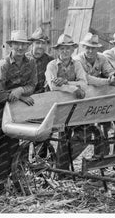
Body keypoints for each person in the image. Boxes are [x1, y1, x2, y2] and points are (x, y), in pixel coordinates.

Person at [0, 30, 37, 192]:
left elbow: (32, 85)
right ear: (11, 46)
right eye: (17, 44)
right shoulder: (1, 66)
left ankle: (1, 182)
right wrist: (19, 96)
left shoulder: (30, 63)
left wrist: (21, 90)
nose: (20, 47)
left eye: (24, 44)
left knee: (9, 146)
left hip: (13, 110)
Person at [45, 34, 88, 172]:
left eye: (68, 48)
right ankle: (56, 169)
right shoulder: (52, 65)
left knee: (83, 135)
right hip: (54, 106)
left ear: (72, 50)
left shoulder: (77, 64)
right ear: (58, 50)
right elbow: (53, 86)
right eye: (62, 48)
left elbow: (84, 84)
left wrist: (66, 82)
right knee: (61, 137)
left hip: (74, 105)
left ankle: (61, 164)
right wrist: (73, 88)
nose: (65, 51)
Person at [26, 27, 54, 93]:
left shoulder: (50, 60)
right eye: (38, 43)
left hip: (44, 96)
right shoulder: (24, 59)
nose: (40, 46)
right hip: (26, 97)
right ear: (32, 44)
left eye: (43, 43)